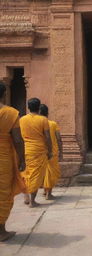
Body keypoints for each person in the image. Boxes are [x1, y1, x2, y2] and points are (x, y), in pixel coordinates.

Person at [0, 82, 26, 241]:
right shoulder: (10, 114)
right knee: (3, 192)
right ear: (4, 94)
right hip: (3, 159)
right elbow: (17, 139)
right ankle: (1, 231)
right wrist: (22, 159)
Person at [20, 98, 52, 208]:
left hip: (26, 150)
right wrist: (50, 150)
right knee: (36, 175)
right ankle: (32, 201)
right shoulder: (43, 120)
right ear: (38, 107)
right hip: (39, 150)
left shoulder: (22, 119)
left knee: (27, 173)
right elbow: (47, 137)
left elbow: (19, 136)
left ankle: (26, 196)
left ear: (28, 107)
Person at [39, 104, 63, 200]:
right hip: (52, 151)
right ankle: (49, 193)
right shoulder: (53, 124)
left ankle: (45, 191)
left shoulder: (37, 124)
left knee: (44, 172)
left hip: (41, 151)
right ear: (47, 113)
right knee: (50, 172)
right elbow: (59, 139)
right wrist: (62, 151)